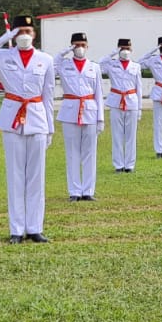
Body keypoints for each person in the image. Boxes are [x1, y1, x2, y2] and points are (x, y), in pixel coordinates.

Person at [0, 16, 56, 243]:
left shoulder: (45, 59)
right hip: (12, 119)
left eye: (27, 30)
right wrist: (3, 38)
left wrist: (50, 128)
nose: (24, 35)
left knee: (36, 178)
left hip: (36, 119)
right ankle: (16, 229)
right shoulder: (2, 57)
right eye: (19, 31)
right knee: (15, 176)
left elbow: (48, 96)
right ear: (14, 35)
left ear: (34, 34)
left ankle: (35, 227)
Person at [55, 31, 104, 201]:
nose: (80, 48)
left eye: (82, 45)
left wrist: (100, 119)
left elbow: (98, 93)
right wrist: (64, 52)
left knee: (90, 153)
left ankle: (88, 190)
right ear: (72, 47)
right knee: (72, 152)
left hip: (90, 110)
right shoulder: (64, 65)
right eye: (76, 45)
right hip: (70, 111)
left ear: (87, 46)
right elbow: (52, 65)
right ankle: (74, 191)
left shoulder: (94, 67)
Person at [99, 38, 142, 172]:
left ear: (131, 49)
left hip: (131, 100)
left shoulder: (136, 66)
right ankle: (118, 164)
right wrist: (113, 53)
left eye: (127, 48)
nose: (125, 51)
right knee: (117, 135)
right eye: (122, 48)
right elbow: (99, 65)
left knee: (131, 135)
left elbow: (139, 88)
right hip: (116, 101)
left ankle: (129, 165)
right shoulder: (111, 65)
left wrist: (139, 107)